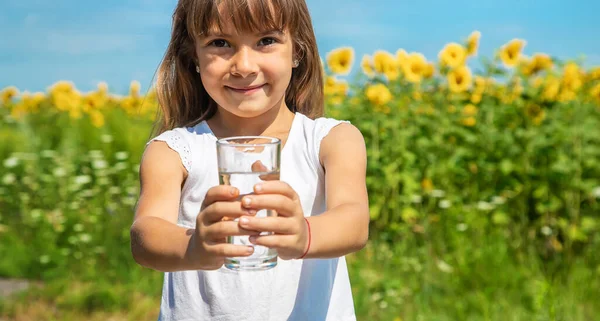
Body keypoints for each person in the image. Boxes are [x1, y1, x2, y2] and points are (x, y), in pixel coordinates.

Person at [130, 0, 370, 320]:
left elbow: (354, 221)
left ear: (297, 50)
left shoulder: (332, 141)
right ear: (194, 57)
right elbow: (145, 236)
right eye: (220, 43)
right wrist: (193, 246)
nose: (244, 65)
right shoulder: (173, 151)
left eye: (266, 41)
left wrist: (305, 235)